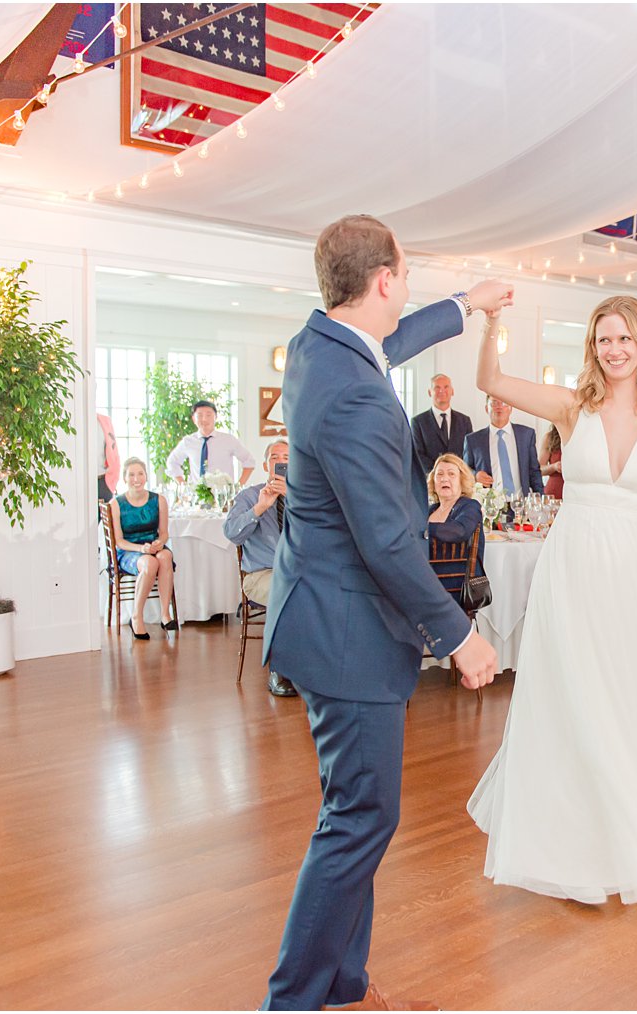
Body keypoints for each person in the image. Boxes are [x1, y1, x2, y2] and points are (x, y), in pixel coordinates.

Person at [259, 213, 508, 1012]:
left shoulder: (316, 347)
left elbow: (387, 345)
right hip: (350, 632)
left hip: (320, 613)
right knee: (360, 821)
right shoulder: (357, 401)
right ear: (387, 282)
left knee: (353, 812)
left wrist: (466, 305)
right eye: (406, 276)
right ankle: (294, 1000)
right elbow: (389, 545)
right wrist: (460, 634)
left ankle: (345, 986)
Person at [467, 293, 637, 912]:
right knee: (571, 695)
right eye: (603, 339)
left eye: (624, 338)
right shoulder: (574, 408)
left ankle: (627, 841)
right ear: (593, 348)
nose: (614, 349)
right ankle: (572, 847)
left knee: (629, 699)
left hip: (631, 569)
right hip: (570, 567)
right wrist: (494, 323)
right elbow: (489, 379)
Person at [223, 440, 295, 697]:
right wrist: (260, 507)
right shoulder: (249, 496)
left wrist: (294, 500)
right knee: (285, 591)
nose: (281, 460)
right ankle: (279, 670)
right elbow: (232, 533)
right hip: (261, 574)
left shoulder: (306, 496)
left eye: (287, 456)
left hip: (302, 572)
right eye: (275, 456)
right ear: (266, 465)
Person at [110, 459, 176, 639]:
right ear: (125, 478)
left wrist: (159, 543)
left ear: (146, 476)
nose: (136, 478)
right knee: (150, 563)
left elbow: (163, 533)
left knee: (164, 558)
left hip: (153, 546)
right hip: (129, 550)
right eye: (131, 474)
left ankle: (165, 614)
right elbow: (119, 541)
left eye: (140, 473)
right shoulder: (117, 504)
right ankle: (136, 616)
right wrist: (141, 549)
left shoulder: (158, 500)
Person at [426, 452, 485, 599]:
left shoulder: (469, 506)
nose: (444, 478)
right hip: (427, 579)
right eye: (439, 474)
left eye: (451, 474)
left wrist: (422, 529)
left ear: (462, 480)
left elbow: (460, 531)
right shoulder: (430, 510)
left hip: (457, 585)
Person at [463, 395, 543, 497]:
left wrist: (540, 499)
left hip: (520, 502)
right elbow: (464, 470)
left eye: (504, 403)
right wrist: (475, 476)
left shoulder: (526, 435)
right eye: (494, 403)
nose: (499, 407)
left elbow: (534, 471)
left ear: (511, 408)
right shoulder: (473, 440)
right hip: (489, 505)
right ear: (487, 409)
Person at [166, 399, 256, 485]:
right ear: (193, 419)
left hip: (222, 495)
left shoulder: (228, 440)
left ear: (215, 417)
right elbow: (172, 462)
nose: (204, 419)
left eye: (208, 415)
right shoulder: (188, 442)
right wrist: (183, 485)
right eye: (200, 415)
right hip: (197, 495)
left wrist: (238, 486)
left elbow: (249, 461)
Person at [409, 373, 472, 479]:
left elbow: (469, 453)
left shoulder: (464, 421)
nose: (442, 391)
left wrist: (456, 473)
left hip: (459, 479)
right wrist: (438, 473)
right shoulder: (418, 422)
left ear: (452, 391)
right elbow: (417, 453)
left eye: (446, 387)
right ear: (430, 392)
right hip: (430, 480)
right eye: (437, 387)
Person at [96, 412, 120, 502]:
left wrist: (111, 484)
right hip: (81, 481)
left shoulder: (104, 421)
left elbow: (114, 454)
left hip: (103, 481)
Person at [538, 425, 565, 499]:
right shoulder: (549, 437)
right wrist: (554, 467)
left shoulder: (582, 437)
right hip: (554, 494)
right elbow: (539, 470)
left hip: (576, 492)